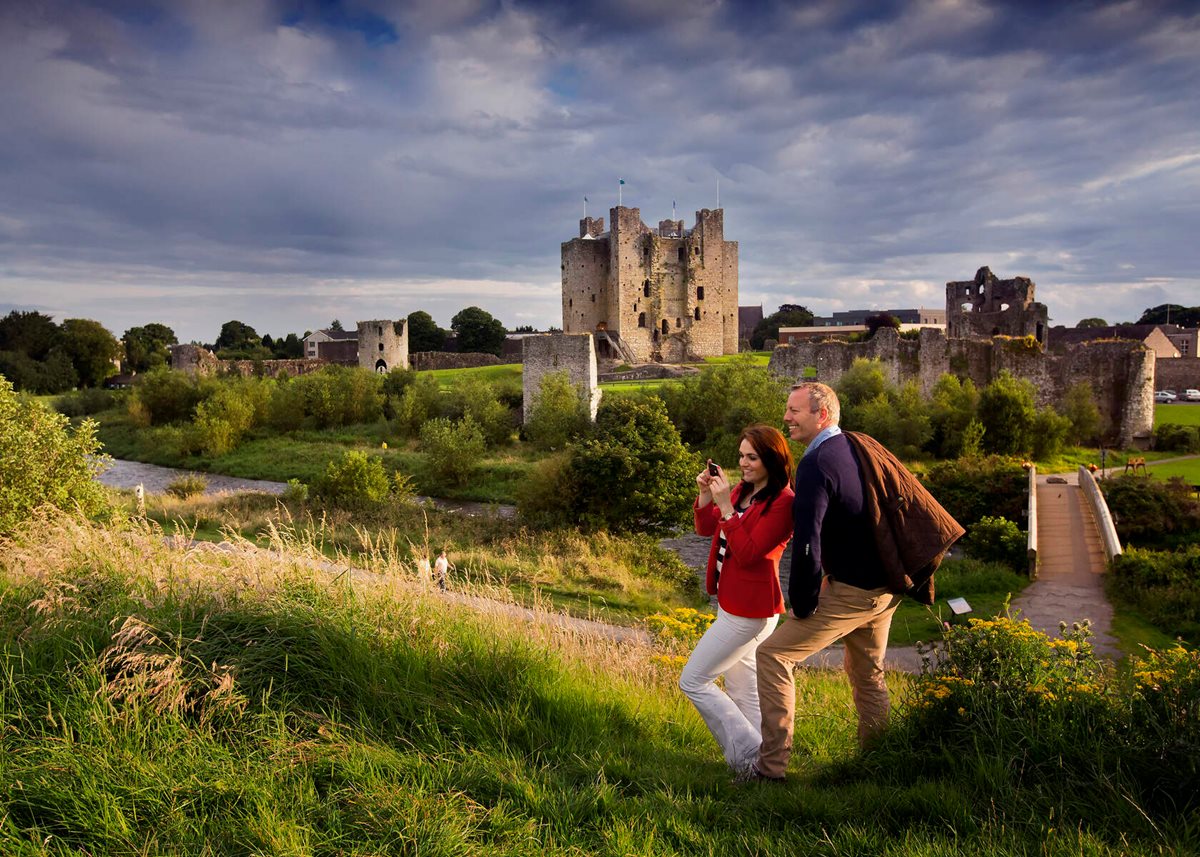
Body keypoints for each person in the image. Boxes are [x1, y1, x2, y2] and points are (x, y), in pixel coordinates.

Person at [745, 382, 963, 783]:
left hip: (855, 592)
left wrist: (804, 602)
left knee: (773, 656)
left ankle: (770, 768)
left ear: (822, 415)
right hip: (887, 586)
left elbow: (807, 541)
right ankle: (877, 760)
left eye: (795, 411)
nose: (786, 418)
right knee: (867, 672)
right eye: (787, 410)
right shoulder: (855, 445)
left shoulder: (816, 464)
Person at [681, 424, 795, 774]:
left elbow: (748, 554)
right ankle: (768, 761)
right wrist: (706, 495)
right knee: (742, 687)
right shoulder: (743, 490)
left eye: (752, 457)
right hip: (732, 603)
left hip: (751, 610)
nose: (743, 463)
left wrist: (726, 508)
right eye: (741, 455)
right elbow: (705, 529)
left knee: (693, 680)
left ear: (772, 460)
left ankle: (746, 758)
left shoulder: (784, 502)